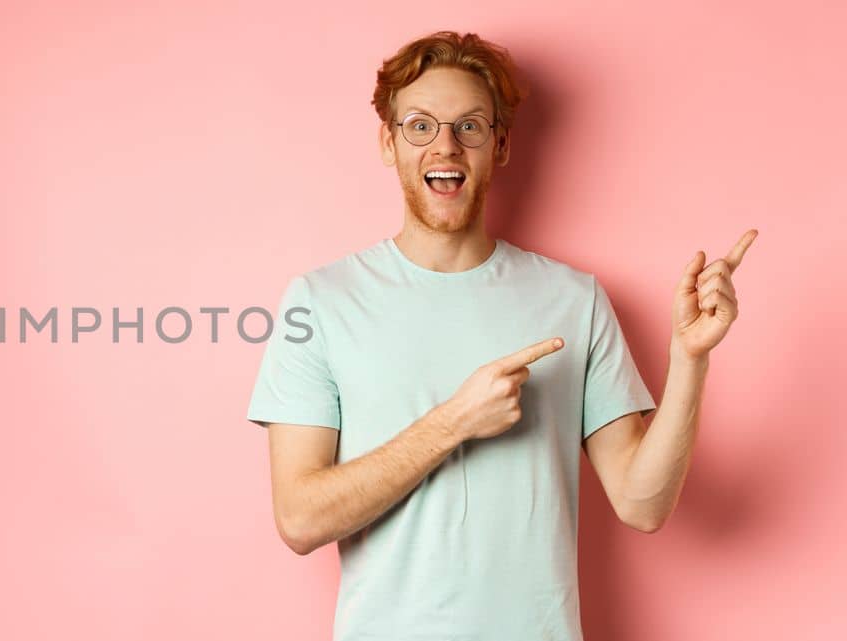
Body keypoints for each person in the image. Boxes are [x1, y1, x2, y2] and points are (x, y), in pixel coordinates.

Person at [246, 31, 755, 641]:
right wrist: (454, 422)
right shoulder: (322, 301)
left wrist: (690, 358)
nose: (446, 146)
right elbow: (300, 520)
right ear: (389, 143)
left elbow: (642, 505)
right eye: (420, 126)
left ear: (500, 145)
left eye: (469, 127)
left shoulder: (575, 300)